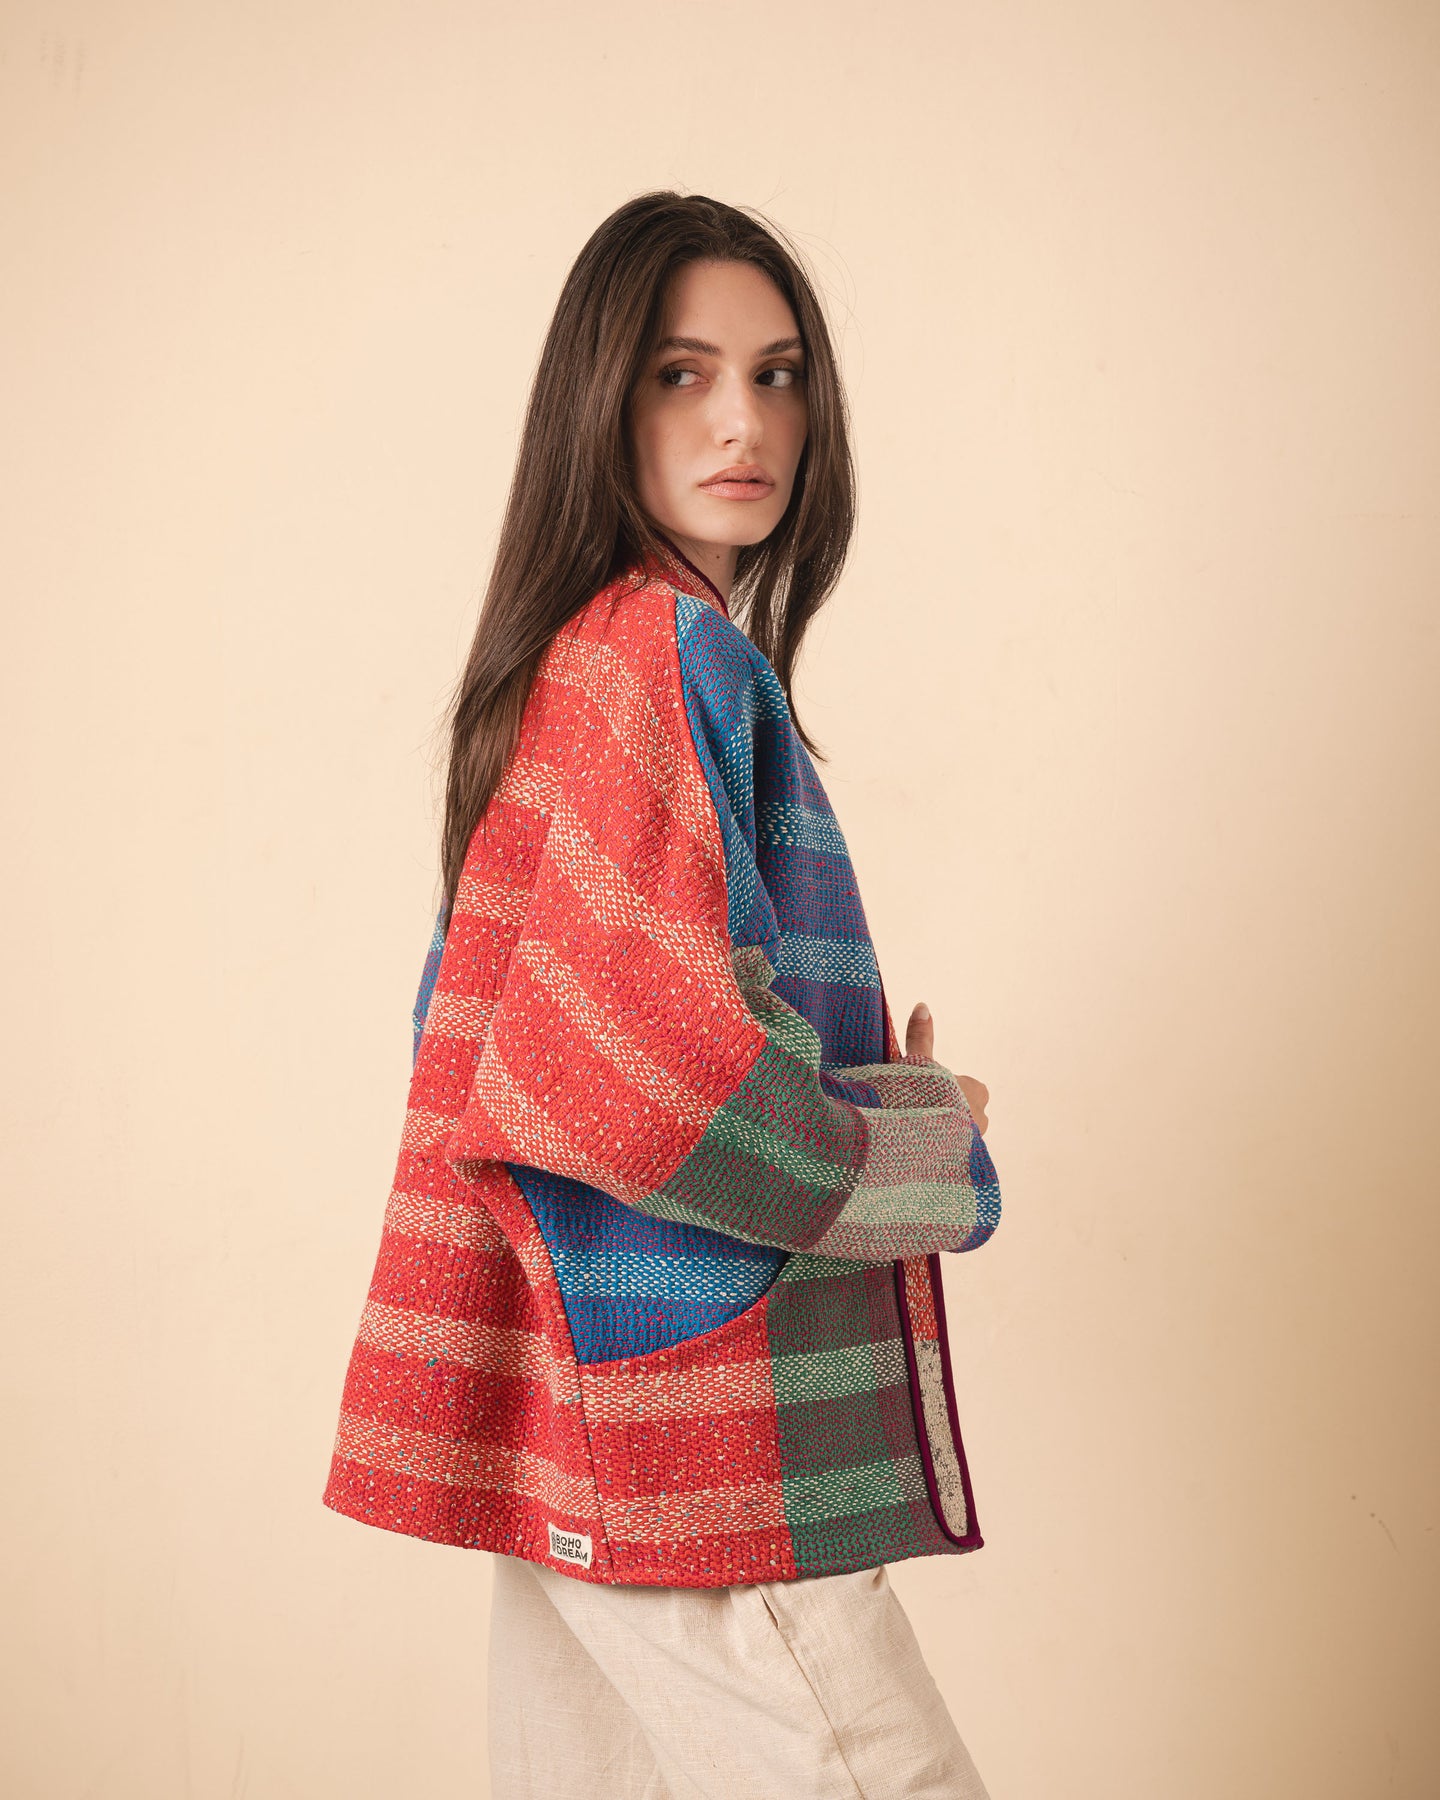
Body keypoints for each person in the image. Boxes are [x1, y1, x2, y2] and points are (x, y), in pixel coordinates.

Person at [322, 190, 1002, 1799]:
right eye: (682, 374)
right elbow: (646, 1083)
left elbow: (505, 1037)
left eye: (778, 376)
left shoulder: (571, 661)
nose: (742, 422)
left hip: (586, 1411)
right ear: (599, 400)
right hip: (700, 1426)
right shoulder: (659, 656)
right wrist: (923, 1146)